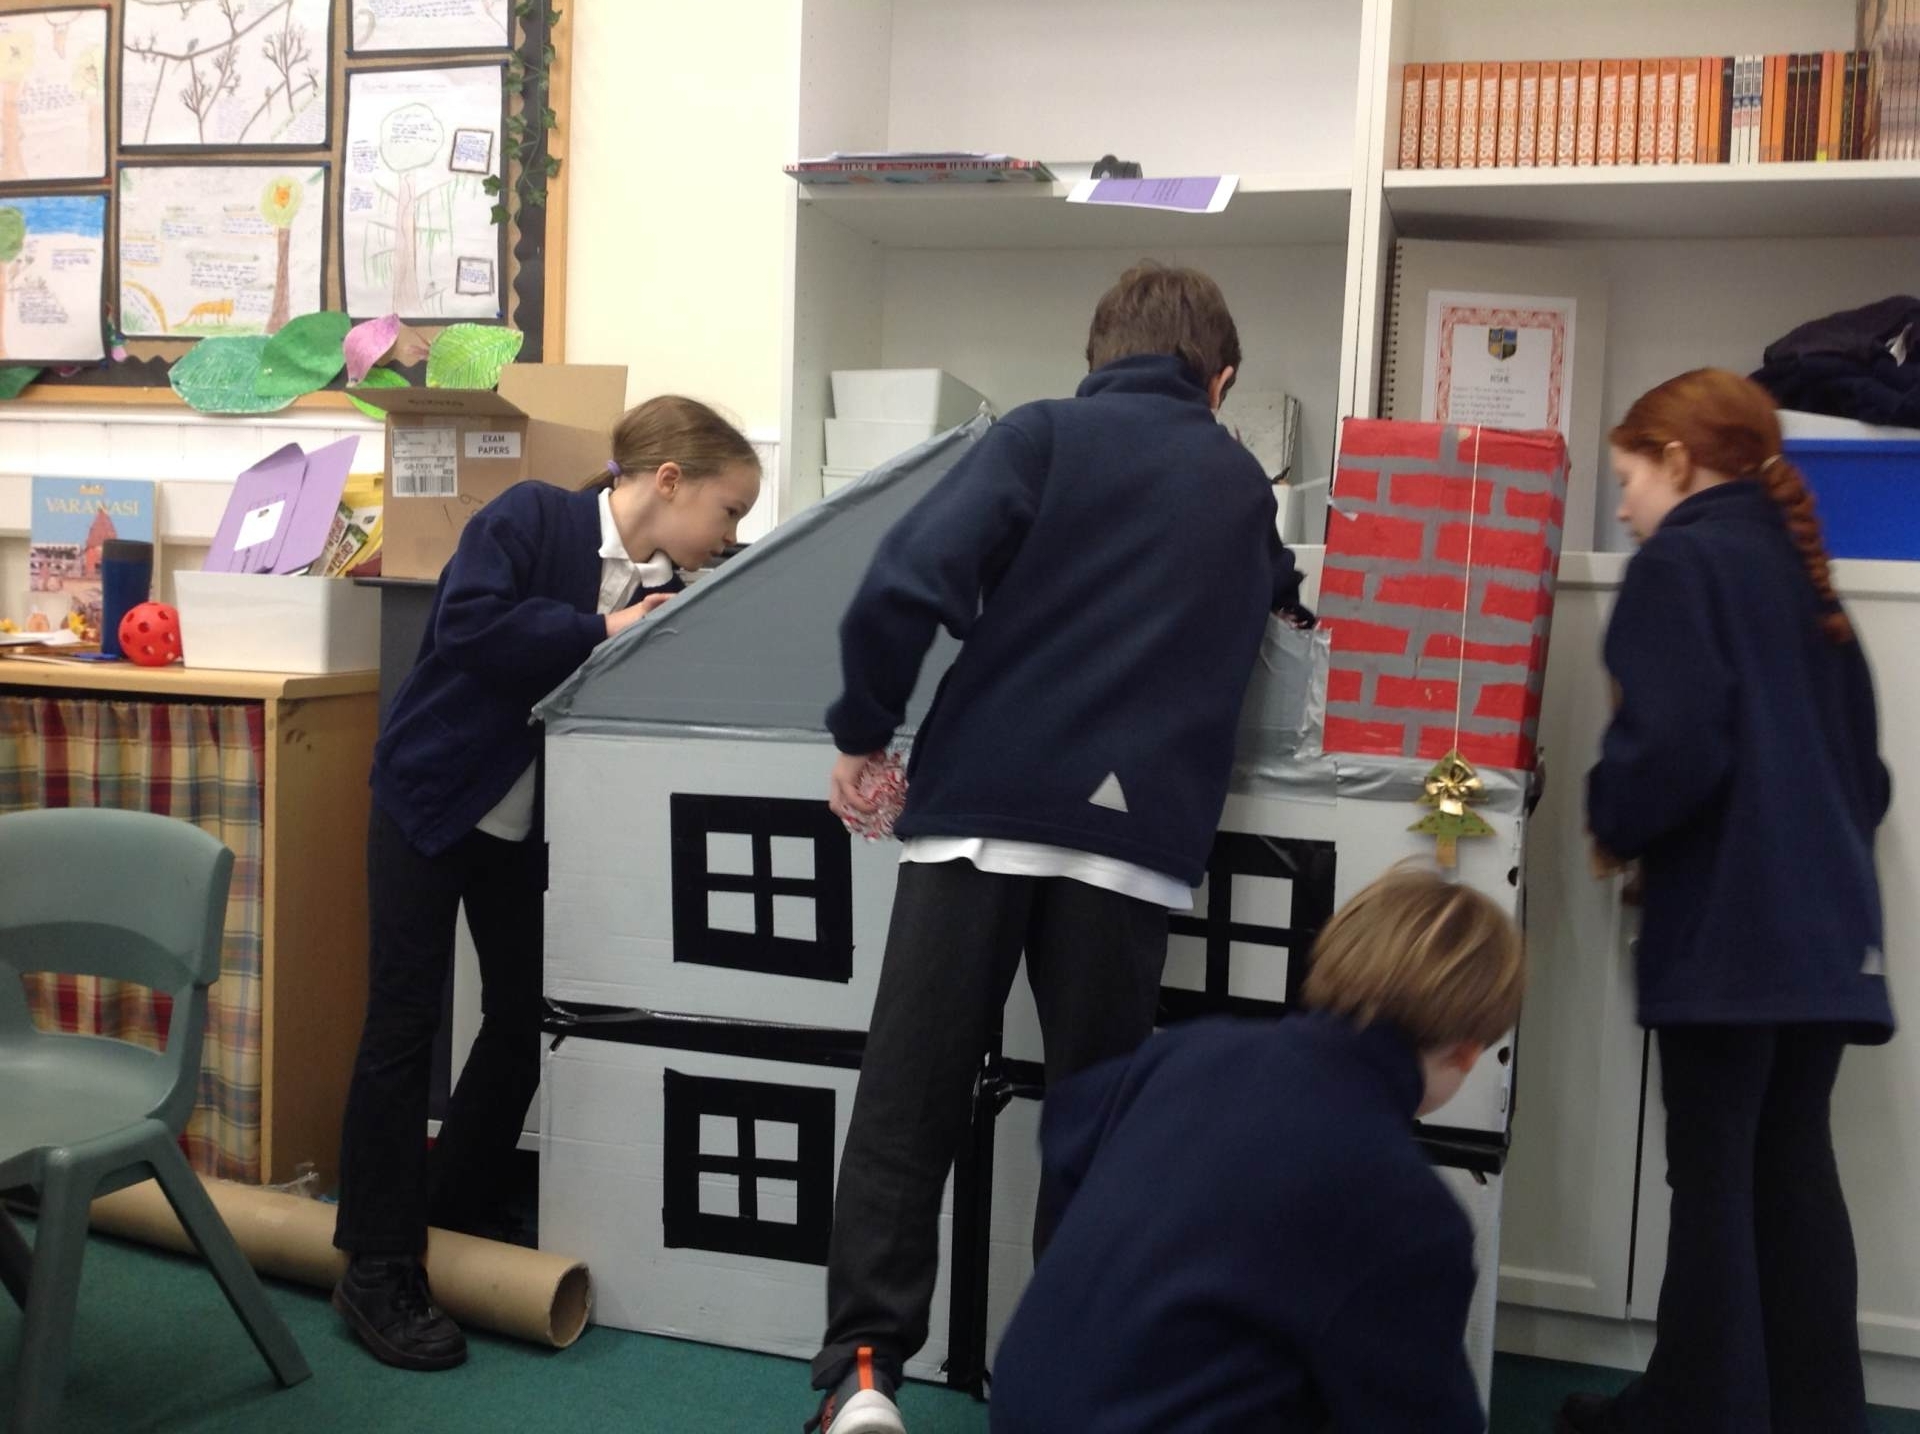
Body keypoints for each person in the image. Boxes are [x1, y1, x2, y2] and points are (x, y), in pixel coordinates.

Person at [808, 261, 1310, 1433]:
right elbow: (1281, 597)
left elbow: (904, 581)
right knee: (1093, 1122)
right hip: (1130, 846)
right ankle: (1072, 1386)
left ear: (1097, 362)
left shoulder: (1037, 437)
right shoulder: (1241, 484)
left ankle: (865, 1377)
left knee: (908, 1102)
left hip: (980, 816)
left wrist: (863, 730)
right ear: (1219, 380)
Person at [331, 396, 761, 1371]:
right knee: (402, 1024)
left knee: (526, 1014)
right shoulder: (532, 516)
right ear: (669, 482)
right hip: (429, 798)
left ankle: (455, 1206)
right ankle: (377, 1264)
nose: (730, 533)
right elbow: (469, 627)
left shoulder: (666, 585)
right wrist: (607, 626)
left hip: (520, 823)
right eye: (728, 510)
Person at [1562, 369, 1893, 1434]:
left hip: (1728, 935)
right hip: (1827, 938)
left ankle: (1694, 1414)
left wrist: (1610, 817)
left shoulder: (1680, 566)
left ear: (1678, 461)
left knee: (1711, 1187)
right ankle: (1809, 1415)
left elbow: (1672, 747)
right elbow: (1869, 780)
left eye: (1627, 480)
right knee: (1792, 1173)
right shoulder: (1806, 581)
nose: (1623, 509)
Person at [988, 865, 1525, 1434]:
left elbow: (1067, 1134)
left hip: (1024, 1402)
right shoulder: (1410, 1207)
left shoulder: (1188, 1052)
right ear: (1468, 1052)